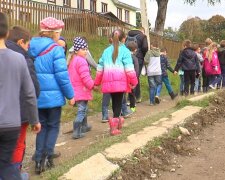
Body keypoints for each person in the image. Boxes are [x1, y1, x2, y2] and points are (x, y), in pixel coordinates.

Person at [29, 17, 75, 174]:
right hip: (54, 98)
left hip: (36, 96)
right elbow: (62, 76)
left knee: (40, 127)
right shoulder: (56, 50)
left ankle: (38, 160)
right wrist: (70, 95)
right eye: (59, 32)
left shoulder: (29, 46)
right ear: (54, 33)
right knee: (53, 126)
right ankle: (48, 156)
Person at [0, 12, 40, 180]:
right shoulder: (18, 59)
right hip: (10, 124)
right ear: (7, 33)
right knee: (9, 165)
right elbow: (30, 93)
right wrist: (34, 120)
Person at [95, 29, 138, 136]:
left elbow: (100, 68)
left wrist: (97, 82)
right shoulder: (125, 51)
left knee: (115, 102)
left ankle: (118, 122)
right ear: (124, 39)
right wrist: (134, 81)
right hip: (120, 82)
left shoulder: (106, 51)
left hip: (108, 82)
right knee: (118, 103)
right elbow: (129, 68)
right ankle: (114, 127)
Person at [68, 37, 95, 139]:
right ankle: (77, 131)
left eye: (86, 49)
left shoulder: (73, 60)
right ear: (76, 50)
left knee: (84, 109)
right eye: (83, 49)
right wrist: (92, 85)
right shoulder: (82, 61)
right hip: (82, 90)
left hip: (75, 90)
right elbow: (85, 77)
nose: (85, 51)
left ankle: (84, 126)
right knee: (82, 110)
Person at [127, 27, 148, 103]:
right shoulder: (143, 36)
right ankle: (130, 99)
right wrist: (144, 55)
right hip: (138, 58)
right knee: (135, 76)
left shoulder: (129, 35)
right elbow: (145, 47)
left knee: (134, 76)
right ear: (143, 31)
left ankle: (138, 96)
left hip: (128, 57)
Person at [144, 41, 162, 105]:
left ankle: (151, 102)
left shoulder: (149, 52)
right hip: (158, 72)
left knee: (152, 87)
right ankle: (157, 94)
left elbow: (145, 61)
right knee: (159, 84)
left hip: (150, 72)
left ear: (152, 45)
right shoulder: (159, 52)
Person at [126, 41, 139, 112]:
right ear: (135, 49)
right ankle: (132, 107)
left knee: (123, 94)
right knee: (132, 93)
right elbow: (136, 70)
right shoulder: (134, 58)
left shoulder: (123, 56)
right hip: (131, 79)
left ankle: (123, 108)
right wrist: (135, 81)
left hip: (123, 78)